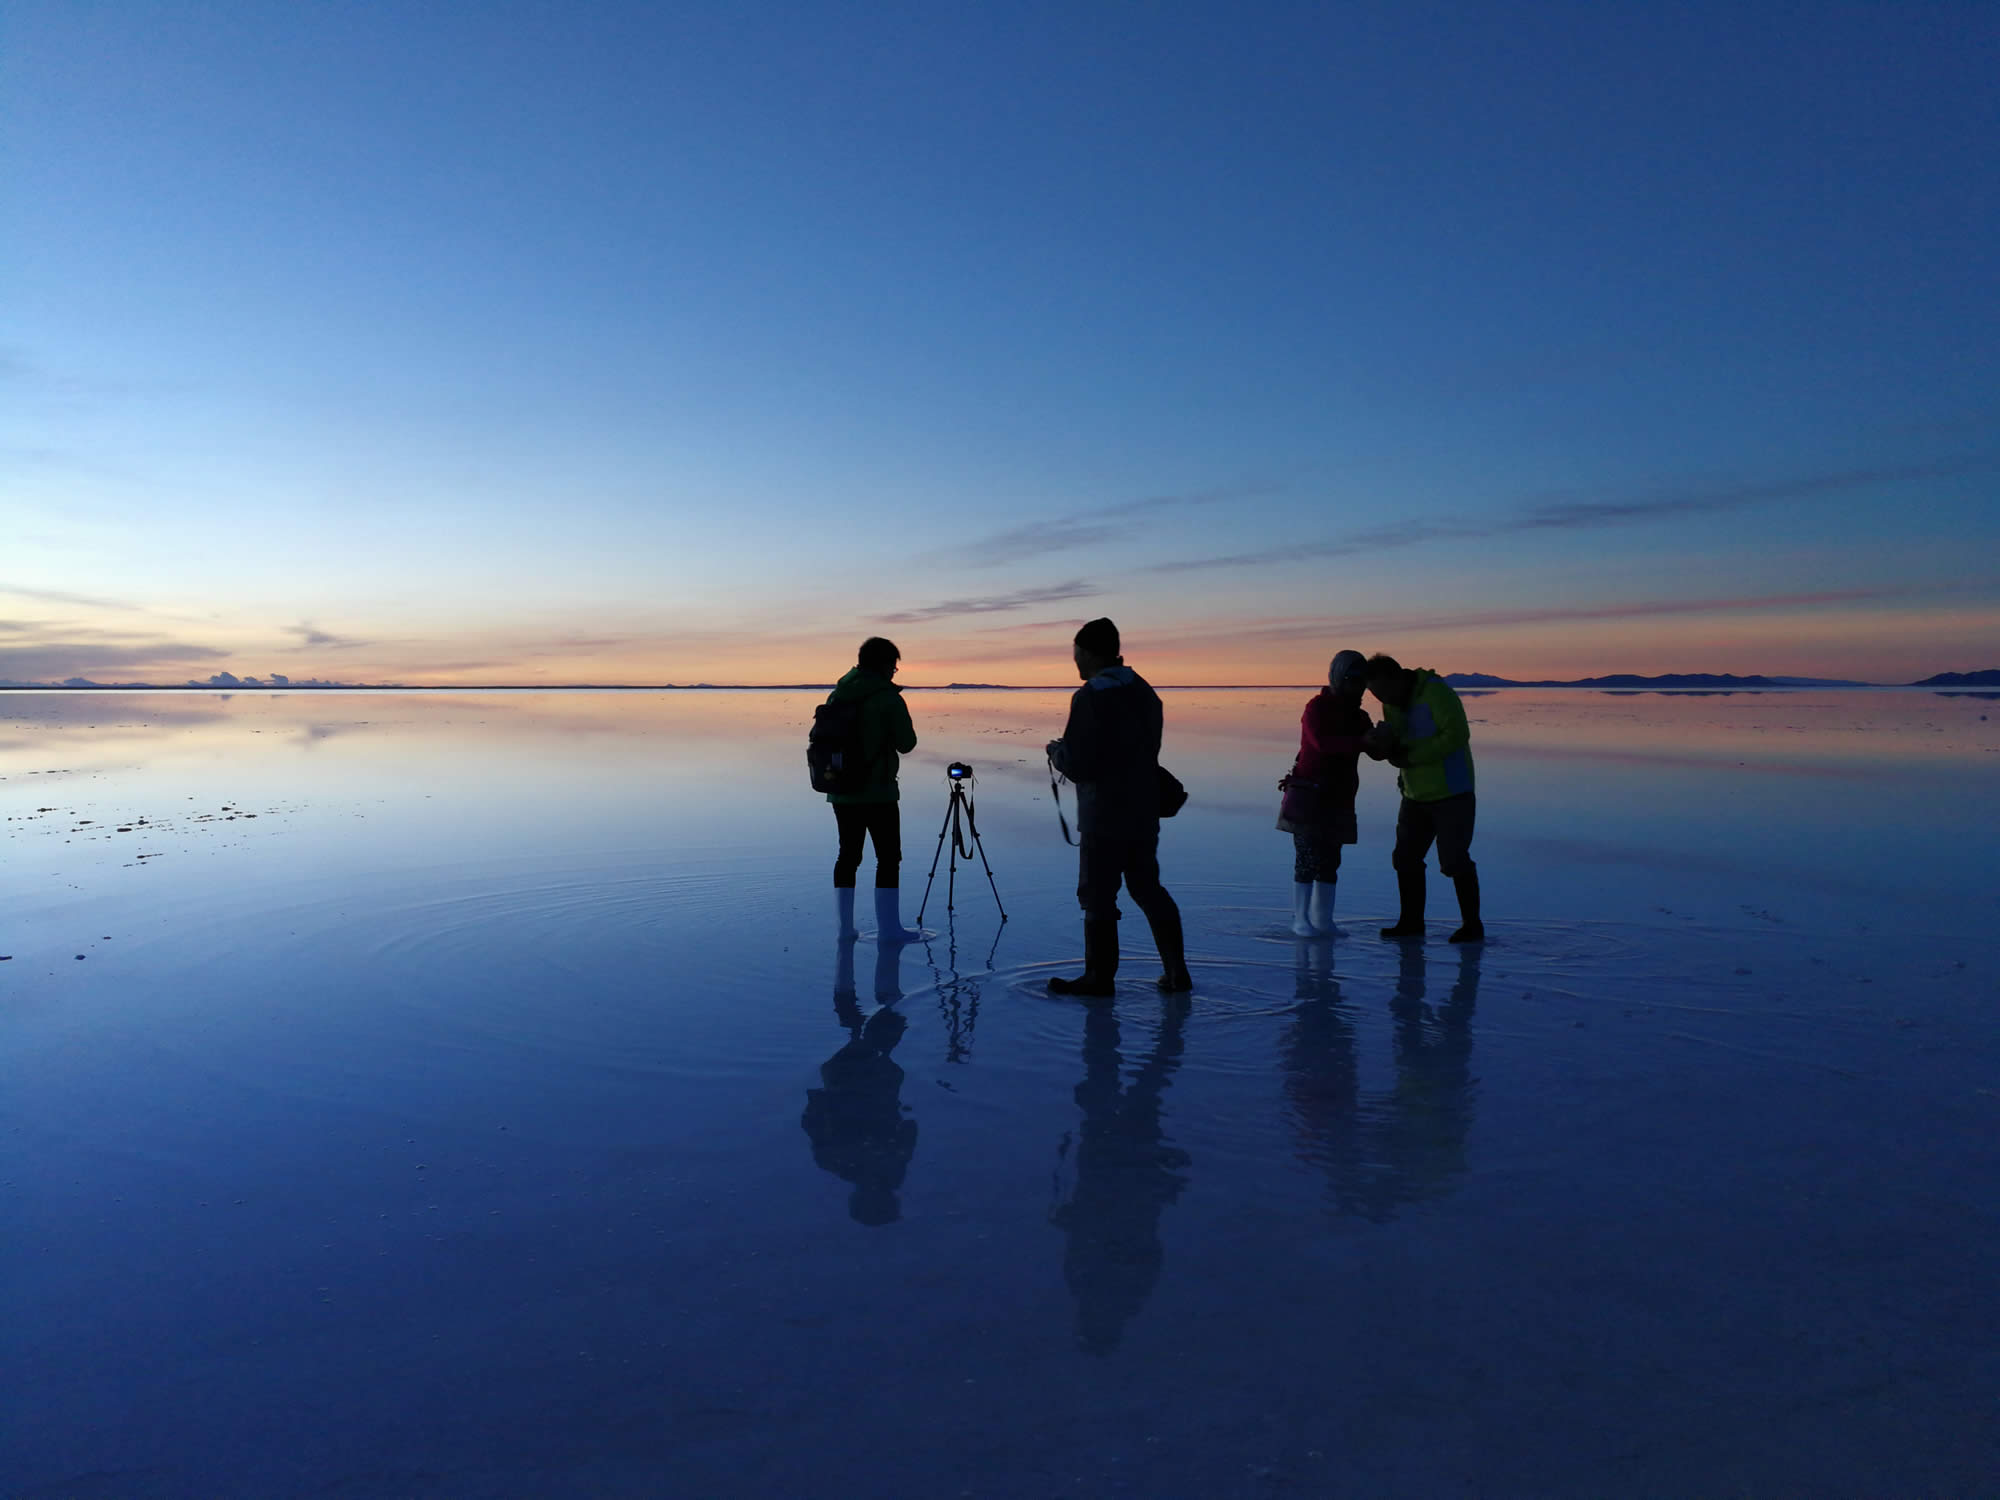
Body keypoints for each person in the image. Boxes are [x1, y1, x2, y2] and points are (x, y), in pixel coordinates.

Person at [1044, 618, 1192, 995]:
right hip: (1143, 810)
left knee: (1097, 895)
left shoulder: (1091, 695)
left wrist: (1056, 753)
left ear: (1090, 653)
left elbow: (1078, 764)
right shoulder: (1144, 691)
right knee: (1147, 888)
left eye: (1076, 653)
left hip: (1104, 813)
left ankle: (1099, 978)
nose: (1074, 661)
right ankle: (1177, 972)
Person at [1362, 653, 1484, 942]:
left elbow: (1456, 735)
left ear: (1396, 678)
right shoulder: (1392, 702)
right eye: (1375, 695)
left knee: (1454, 861)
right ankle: (1411, 922)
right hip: (1414, 795)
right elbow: (1403, 743)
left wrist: (1410, 756)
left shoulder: (1437, 693)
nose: (1381, 699)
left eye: (1382, 692)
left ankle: (1472, 926)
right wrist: (1383, 746)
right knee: (1405, 858)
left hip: (1452, 793)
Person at [825, 636, 920, 942]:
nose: (894, 672)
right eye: (893, 667)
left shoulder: (838, 694)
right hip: (878, 792)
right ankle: (889, 929)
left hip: (841, 791)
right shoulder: (887, 698)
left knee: (848, 856)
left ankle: (844, 928)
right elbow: (907, 743)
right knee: (888, 858)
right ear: (882, 665)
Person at [1285, 649, 1373, 936]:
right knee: (1307, 858)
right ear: (1338, 677)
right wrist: (1361, 741)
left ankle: (1323, 920)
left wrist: (1383, 740)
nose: (1358, 685)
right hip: (1310, 796)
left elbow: (1374, 749)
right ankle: (1301, 920)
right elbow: (1322, 743)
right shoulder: (1316, 708)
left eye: (1363, 679)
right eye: (1352, 678)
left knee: (1331, 861)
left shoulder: (1359, 716)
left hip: (1340, 797)